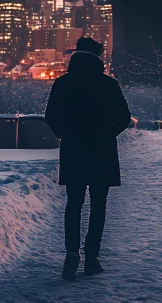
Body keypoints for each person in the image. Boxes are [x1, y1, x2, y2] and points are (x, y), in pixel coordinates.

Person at [44, 36, 131, 281]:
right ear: (98, 58)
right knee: (98, 205)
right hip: (102, 150)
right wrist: (107, 133)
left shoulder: (62, 83)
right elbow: (124, 117)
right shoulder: (108, 84)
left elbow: (51, 117)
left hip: (74, 150)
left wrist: (67, 135)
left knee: (73, 204)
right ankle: (92, 258)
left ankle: (71, 255)